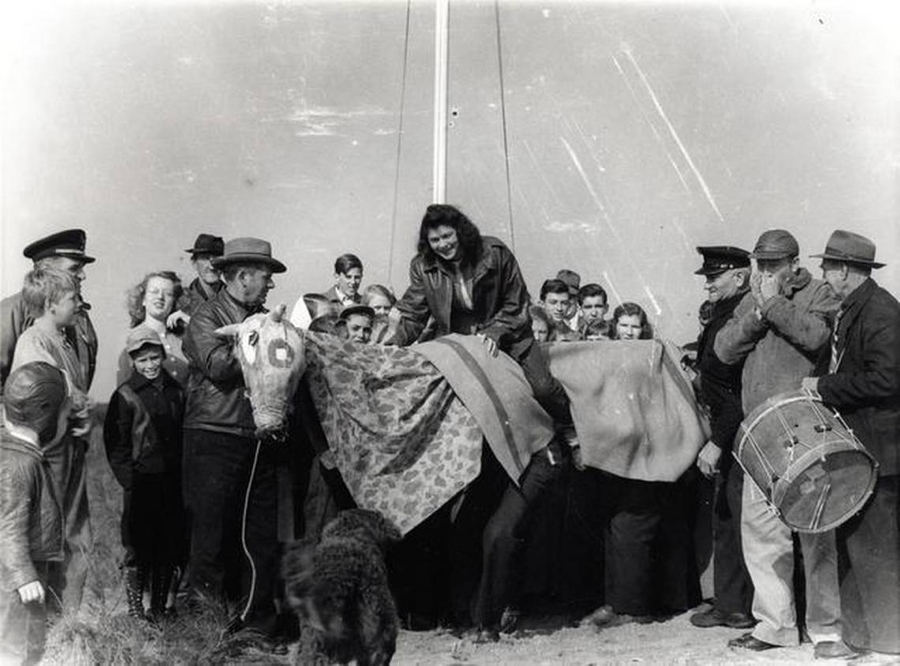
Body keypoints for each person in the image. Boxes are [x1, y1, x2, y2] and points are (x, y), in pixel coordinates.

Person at [388, 204, 571, 640]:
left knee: (542, 388)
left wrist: (495, 332)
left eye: (448, 238)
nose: (443, 247)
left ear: (462, 234)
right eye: (435, 242)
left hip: (505, 336)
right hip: (459, 346)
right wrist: (393, 347)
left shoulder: (494, 253)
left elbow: (517, 303)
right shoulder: (424, 268)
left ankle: (566, 432)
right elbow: (414, 314)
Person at [714, 229, 850, 658]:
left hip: (804, 430)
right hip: (760, 433)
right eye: (761, 264)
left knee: (815, 530)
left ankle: (826, 629)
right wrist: (758, 310)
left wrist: (771, 303)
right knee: (761, 533)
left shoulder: (819, 294)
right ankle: (774, 625)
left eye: (773, 264)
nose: (765, 271)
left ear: (793, 263)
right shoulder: (750, 297)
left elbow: (816, 337)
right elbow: (723, 349)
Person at [181, 237, 286, 643]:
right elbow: (218, 366)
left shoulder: (261, 318)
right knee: (210, 535)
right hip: (212, 436)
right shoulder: (204, 318)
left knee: (258, 536)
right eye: (266, 277)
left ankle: (257, 624)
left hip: (258, 437)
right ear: (242, 277)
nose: (271, 286)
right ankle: (208, 628)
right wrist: (256, 335)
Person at [801, 230, 900, 655]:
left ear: (844, 270)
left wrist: (825, 386)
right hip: (863, 449)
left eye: (827, 267)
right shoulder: (858, 307)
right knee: (857, 543)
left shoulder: (880, 311)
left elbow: (888, 378)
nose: (823, 275)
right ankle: (861, 638)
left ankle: (889, 642)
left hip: (880, 451)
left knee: (876, 547)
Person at [585, 302, 697, 628]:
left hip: (647, 457)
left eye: (635, 326)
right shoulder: (611, 356)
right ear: (614, 326)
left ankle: (632, 608)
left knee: (632, 527)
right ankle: (620, 603)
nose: (629, 332)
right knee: (619, 529)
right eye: (623, 326)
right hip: (621, 456)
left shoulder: (651, 356)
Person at [11, 267, 93, 614]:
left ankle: (65, 622)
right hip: (49, 456)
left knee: (75, 535)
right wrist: (78, 407)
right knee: (51, 536)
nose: (78, 303)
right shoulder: (34, 342)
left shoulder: (63, 339)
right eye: (72, 297)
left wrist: (82, 414)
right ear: (49, 303)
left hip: (68, 451)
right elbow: (47, 398)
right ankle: (43, 627)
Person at [688, 246, 755, 630]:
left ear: (740, 277)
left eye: (714, 277)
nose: (708, 283)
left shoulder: (742, 314)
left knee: (741, 518)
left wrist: (717, 442)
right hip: (727, 426)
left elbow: (736, 392)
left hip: (737, 429)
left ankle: (743, 607)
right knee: (726, 517)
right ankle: (730, 604)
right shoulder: (725, 312)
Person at [104, 326, 186, 621]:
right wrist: (129, 481)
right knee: (138, 546)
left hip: (171, 482)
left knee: (167, 545)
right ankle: (137, 610)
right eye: (142, 360)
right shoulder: (124, 396)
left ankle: (161, 608)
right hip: (140, 484)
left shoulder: (177, 392)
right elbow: (115, 444)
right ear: (132, 362)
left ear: (162, 356)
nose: (150, 365)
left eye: (154, 358)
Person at [0, 363, 70, 665]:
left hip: (21, 567)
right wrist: (25, 576)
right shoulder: (20, 464)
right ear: (47, 414)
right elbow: (9, 526)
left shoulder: (18, 454)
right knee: (12, 645)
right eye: (65, 412)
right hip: (14, 577)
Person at [1, 228, 97, 407]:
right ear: (47, 272)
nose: (83, 276)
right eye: (74, 268)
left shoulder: (80, 314)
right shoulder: (12, 310)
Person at [116, 271, 190, 387]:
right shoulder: (131, 338)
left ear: (175, 301)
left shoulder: (184, 338)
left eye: (168, 294)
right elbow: (124, 391)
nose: (160, 297)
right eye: (154, 292)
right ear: (143, 300)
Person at [175, 234, 224, 321]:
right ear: (194, 264)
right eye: (205, 259)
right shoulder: (180, 301)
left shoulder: (236, 299)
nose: (211, 267)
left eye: (217, 259)